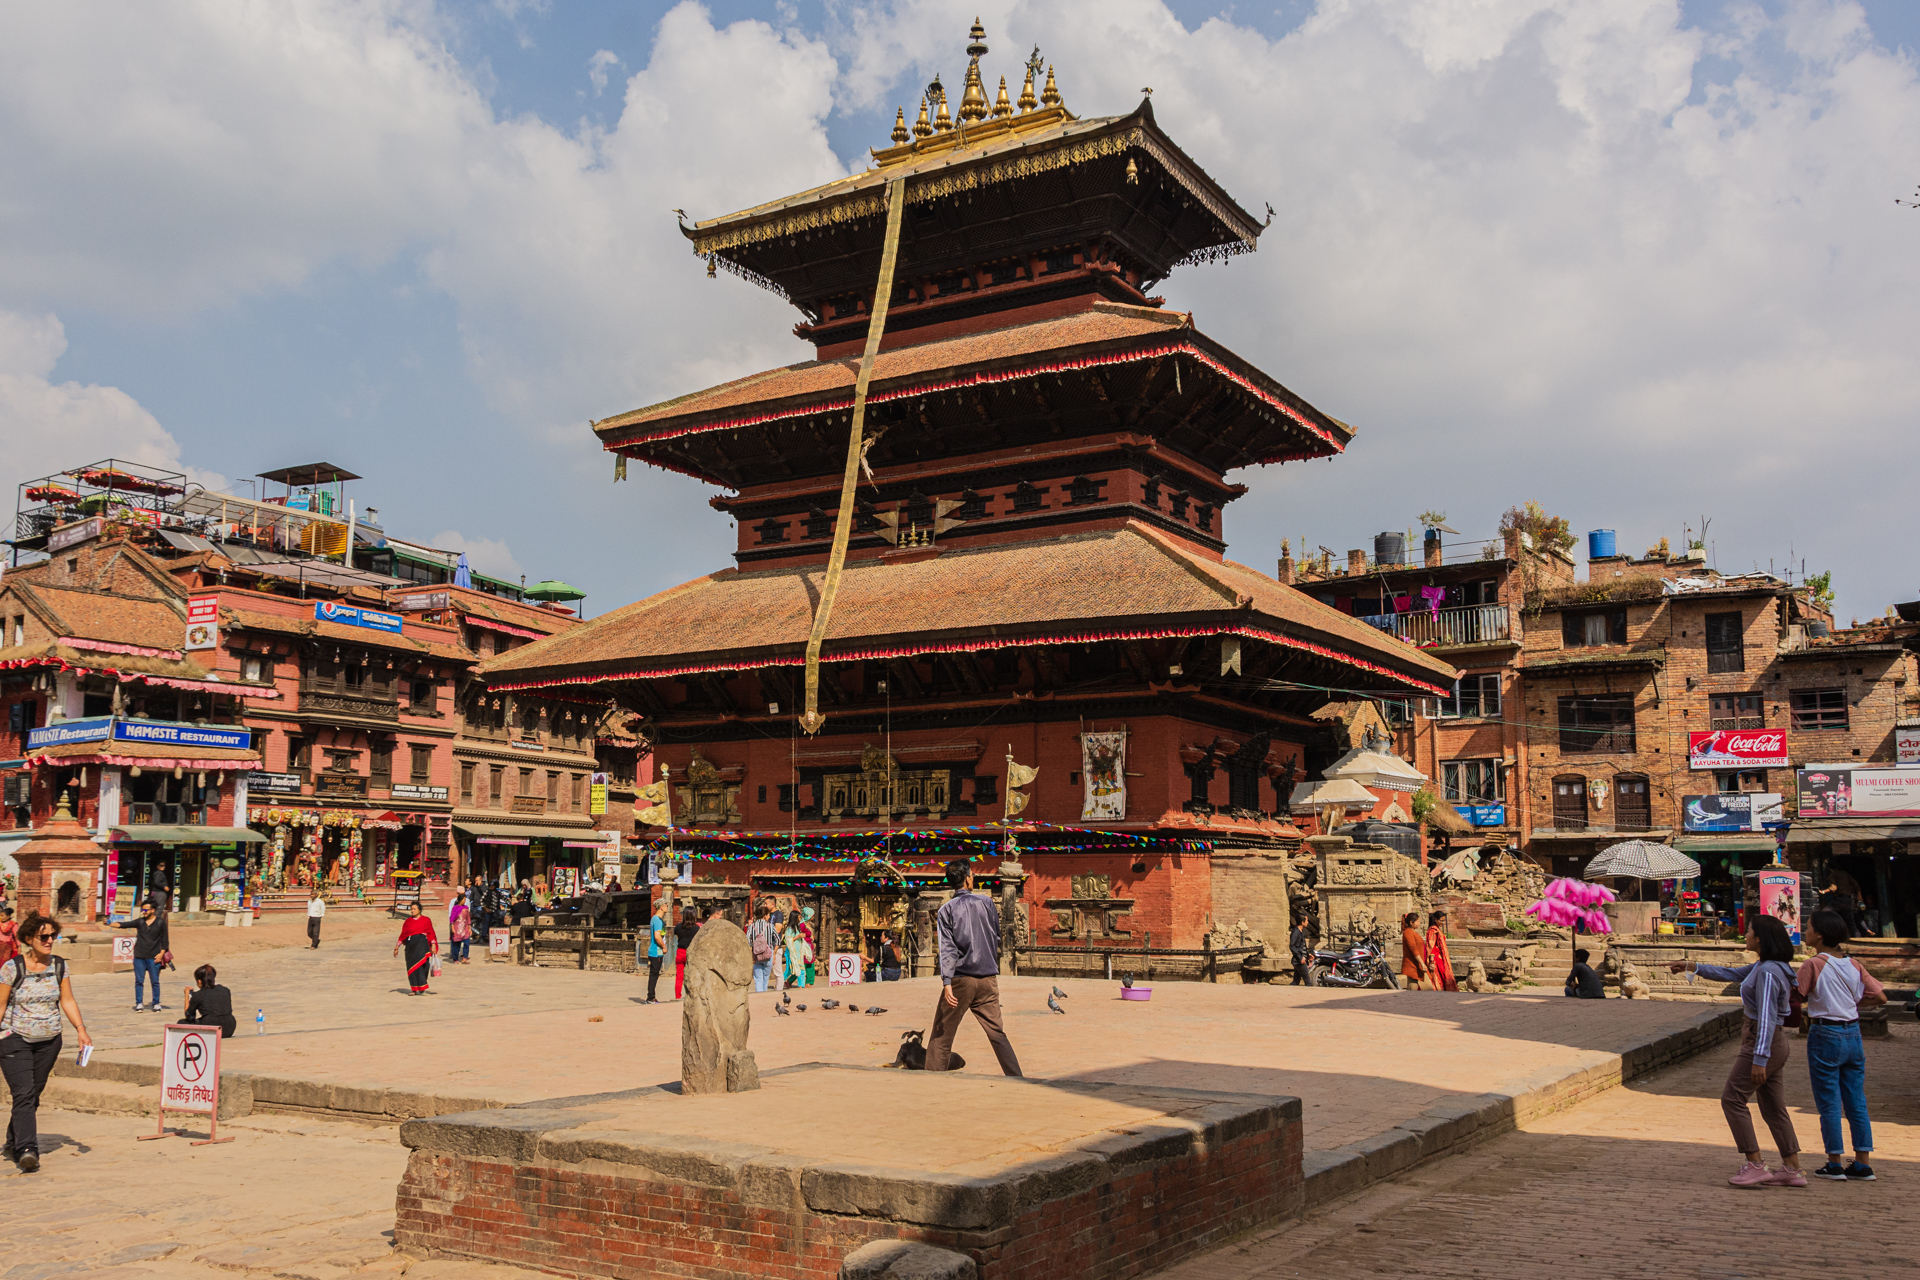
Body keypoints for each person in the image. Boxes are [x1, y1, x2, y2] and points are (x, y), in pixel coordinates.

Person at [1669, 915, 1806, 1187]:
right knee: (1773, 1107)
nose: (1745, 935)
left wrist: (1759, 1059)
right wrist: (1692, 966)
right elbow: (1731, 974)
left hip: (1762, 1041)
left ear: (1761, 938)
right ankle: (1792, 1168)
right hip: (1771, 1042)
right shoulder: (1767, 966)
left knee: (1732, 1099)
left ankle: (1754, 1164)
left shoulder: (1768, 972)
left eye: (1750, 931)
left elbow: (1766, 1017)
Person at [0, 911, 92, 1172]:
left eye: (53, 935)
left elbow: (67, 1000)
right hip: (14, 1038)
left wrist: (81, 1030)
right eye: (44, 936)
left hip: (49, 1041)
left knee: (32, 1093)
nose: (50, 940)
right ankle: (27, 1150)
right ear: (29, 938)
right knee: (24, 1094)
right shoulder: (12, 968)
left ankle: (13, 1141)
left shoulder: (59, 966)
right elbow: (1, 1003)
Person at [1799, 909, 1885, 1181]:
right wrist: (1852, 1005)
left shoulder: (1813, 965)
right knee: (1856, 1101)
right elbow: (1880, 997)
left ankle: (1834, 1161)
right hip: (1853, 1033)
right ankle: (1862, 1162)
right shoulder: (1854, 964)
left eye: (1809, 927)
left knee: (1829, 1102)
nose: (1805, 931)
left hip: (1825, 1033)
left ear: (1819, 934)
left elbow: (1795, 995)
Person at [925, 860, 1022, 1076]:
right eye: (972, 874)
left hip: (961, 979)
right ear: (968, 878)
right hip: (988, 978)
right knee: (997, 1033)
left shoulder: (946, 910)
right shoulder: (986, 903)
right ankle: (1016, 1077)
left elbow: (947, 949)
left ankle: (931, 1079)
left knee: (942, 1034)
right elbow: (996, 934)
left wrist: (947, 982)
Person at [121, 899, 170, 1012]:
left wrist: (161, 954)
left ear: (152, 910)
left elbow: (165, 940)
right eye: (142, 909)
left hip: (154, 957)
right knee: (139, 981)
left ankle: (156, 1003)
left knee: (155, 981)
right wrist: (109, 923)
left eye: (146, 909)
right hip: (139, 956)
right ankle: (139, 1003)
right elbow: (125, 924)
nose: (144, 911)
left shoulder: (160, 923)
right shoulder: (140, 922)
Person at [394, 901, 439, 995]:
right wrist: (397, 947)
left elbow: (431, 933)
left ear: (419, 910)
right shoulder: (408, 922)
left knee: (424, 966)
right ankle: (414, 988)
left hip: (422, 946)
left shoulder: (426, 920)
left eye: (414, 909)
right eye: (411, 909)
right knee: (412, 968)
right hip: (411, 948)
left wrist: (433, 945)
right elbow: (403, 935)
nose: (412, 911)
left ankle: (422, 986)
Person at [181, 963, 237, 1038]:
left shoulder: (198, 995)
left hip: (212, 1029)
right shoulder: (225, 990)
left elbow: (188, 1016)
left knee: (181, 1022)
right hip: (229, 1028)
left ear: (199, 981)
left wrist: (186, 995)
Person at [745, 902, 778, 993]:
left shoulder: (751, 926)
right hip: (768, 954)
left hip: (756, 955)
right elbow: (778, 940)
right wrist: (774, 953)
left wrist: (752, 949)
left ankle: (759, 995)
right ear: (765, 916)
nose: (769, 916)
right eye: (768, 915)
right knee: (766, 977)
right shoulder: (770, 926)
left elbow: (747, 940)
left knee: (758, 978)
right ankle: (764, 995)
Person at [642, 899, 668, 1004]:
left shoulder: (655, 919)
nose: (667, 907)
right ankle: (651, 997)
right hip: (656, 951)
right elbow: (657, 937)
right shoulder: (657, 920)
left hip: (655, 951)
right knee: (654, 975)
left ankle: (651, 996)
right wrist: (664, 947)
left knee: (654, 974)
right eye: (666, 905)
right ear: (661, 907)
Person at [672, 906, 699, 1000]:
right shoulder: (696, 928)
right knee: (692, 975)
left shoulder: (678, 927)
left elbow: (677, 936)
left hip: (680, 951)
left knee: (679, 976)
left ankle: (678, 996)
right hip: (691, 953)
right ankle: (691, 995)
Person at [1426, 911, 1457, 992]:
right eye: (1441, 920)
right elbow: (1430, 947)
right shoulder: (1433, 930)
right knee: (1442, 974)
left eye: (1444, 920)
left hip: (1440, 955)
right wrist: (1431, 961)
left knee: (1445, 974)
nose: (1443, 923)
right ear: (1435, 920)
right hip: (1436, 957)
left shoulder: (1437, 929)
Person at [780, 909, 811, 989]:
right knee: (789, 970)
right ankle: (780, 982)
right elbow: (787, 940)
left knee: (801, 969)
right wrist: (798, 937)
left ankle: (801, 985)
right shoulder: (789, 929)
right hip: (791, 952)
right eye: (799, 917)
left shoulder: (797, 928)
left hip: (798, 953)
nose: (800, 919)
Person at [1399, 912, 1430, 990]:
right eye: (1417, 921)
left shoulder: (1413, 932)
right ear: (1411, 922)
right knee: (1413, 986)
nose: (1419, 923)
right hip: (1412, 964)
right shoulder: (1408, 933)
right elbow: (1413, 949)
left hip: (1417, 964)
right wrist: (1422, 963)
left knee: (1420, 987)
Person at [448, 889, 472, 964]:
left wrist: (469, 928)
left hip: (465, 929)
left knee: (466, 943)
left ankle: (465, 958)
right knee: (456, 945)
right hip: (457, 929)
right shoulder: (455, 908)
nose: (464, 901)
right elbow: (452, 919)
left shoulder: (466, 908)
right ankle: (455, 958)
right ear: (460, 900)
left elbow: (468, 918)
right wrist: (452, 928)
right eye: (464, 899)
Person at [1289, 916, 1310, 986]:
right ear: (1302, 922)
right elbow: (1292, 946)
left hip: (1301, 959)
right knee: (1308, 982)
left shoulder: (1302, 932)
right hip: (1299, 961)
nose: (1307, 922)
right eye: (1306, 921)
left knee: (1296, 981)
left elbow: (1303, 946)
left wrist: (1308, 955)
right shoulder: (1295, 932)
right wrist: (1300, 958)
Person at [0, 906, 16, 972]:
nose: (1, 917)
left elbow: (16, 936)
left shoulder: (13, 924)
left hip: (7, 946)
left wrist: (19, 947)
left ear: (8, 916)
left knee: (5, 961)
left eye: (2, 915)